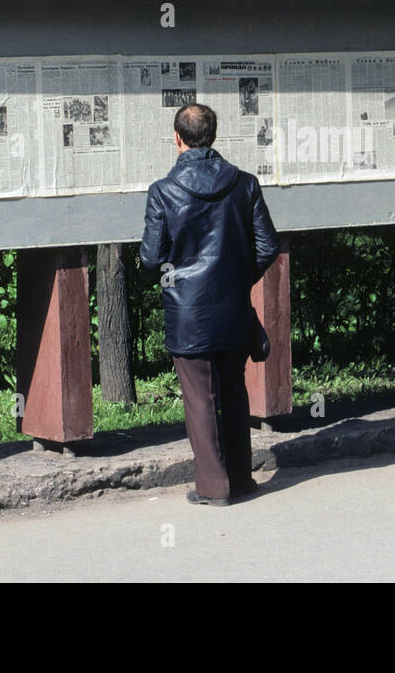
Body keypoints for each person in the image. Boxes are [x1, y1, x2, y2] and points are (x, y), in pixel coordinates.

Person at [140, 103, 280, 506]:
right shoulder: (245, 184)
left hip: (188, 314)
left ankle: (213, 488)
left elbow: (151, 258)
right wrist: (236, 279)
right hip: (232, 309)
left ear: (177, 138)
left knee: (200, 398)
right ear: (214, 136)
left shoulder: (163, 192)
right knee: (234, 392)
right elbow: (269, 245)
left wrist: (178, 276)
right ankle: (241, 480)